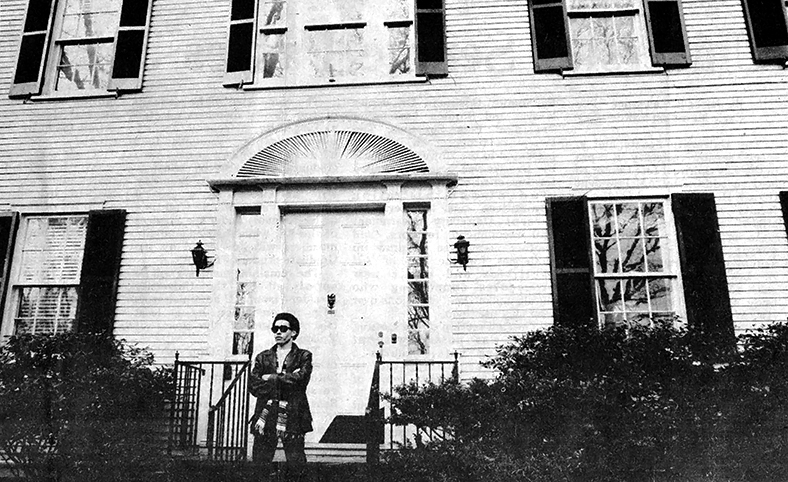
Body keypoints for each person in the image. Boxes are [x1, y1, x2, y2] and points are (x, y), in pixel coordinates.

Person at [249, 312, 313, 480]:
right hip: (266, 412)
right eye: (275, 328)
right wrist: (287, 378)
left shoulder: (303, 356)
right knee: (260, 463)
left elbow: (301, 381)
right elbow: (254, 386)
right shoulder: (263, 357)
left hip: (293, 412)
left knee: (296, 462)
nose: (278, 332)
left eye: (283, 329)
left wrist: (270, 377)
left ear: (294, 332)